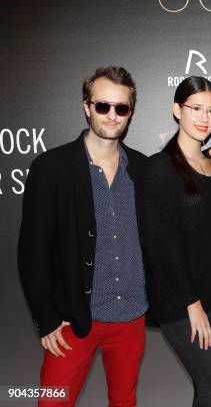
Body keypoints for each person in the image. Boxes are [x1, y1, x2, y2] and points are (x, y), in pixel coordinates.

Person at [17, 66, 147, 407]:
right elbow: (32, 252)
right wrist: (46, 319)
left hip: (131, 316)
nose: (112, 115)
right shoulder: (51, 168)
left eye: (122, 108)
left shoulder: (144, 170)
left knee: (124, 402)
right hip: (73, 319)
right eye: (102, 105)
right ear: (86, 106)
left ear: (130, 112)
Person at [140, 76, 211, 407]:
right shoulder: (158, 169)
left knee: (210, 387)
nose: (204, 118)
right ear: (176, 110)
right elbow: (159, 245)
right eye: (196, 108)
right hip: (182, 300)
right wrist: (191, 302)